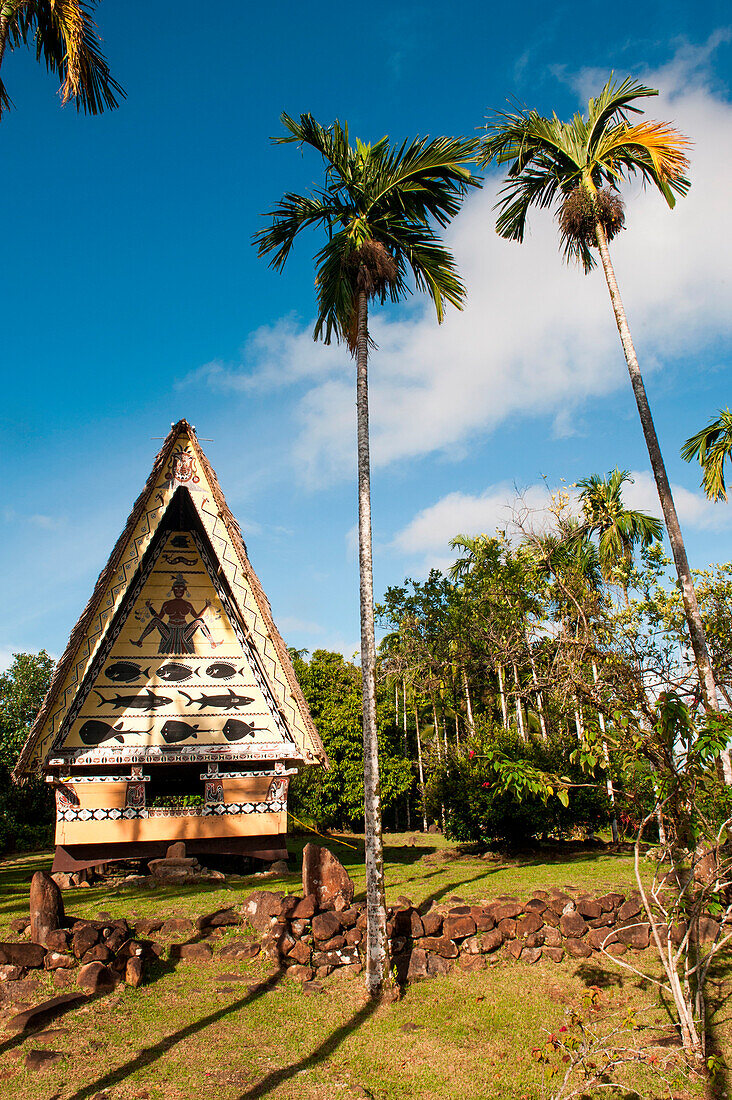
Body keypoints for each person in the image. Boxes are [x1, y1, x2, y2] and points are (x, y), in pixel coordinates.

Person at [131, 574, 221, 653]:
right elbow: (159, 617)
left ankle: (212, 643)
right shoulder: (166, 604)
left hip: (184, 632)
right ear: (173, 590)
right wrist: (150, 608)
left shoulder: (187, 604)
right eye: (176, 589)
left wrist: (206, 606)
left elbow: (197, 616)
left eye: (181, 589)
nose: (178, 591)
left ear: (185, 590)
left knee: (199, 621)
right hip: (169, 632)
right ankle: (140, 641)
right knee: (155, 620)